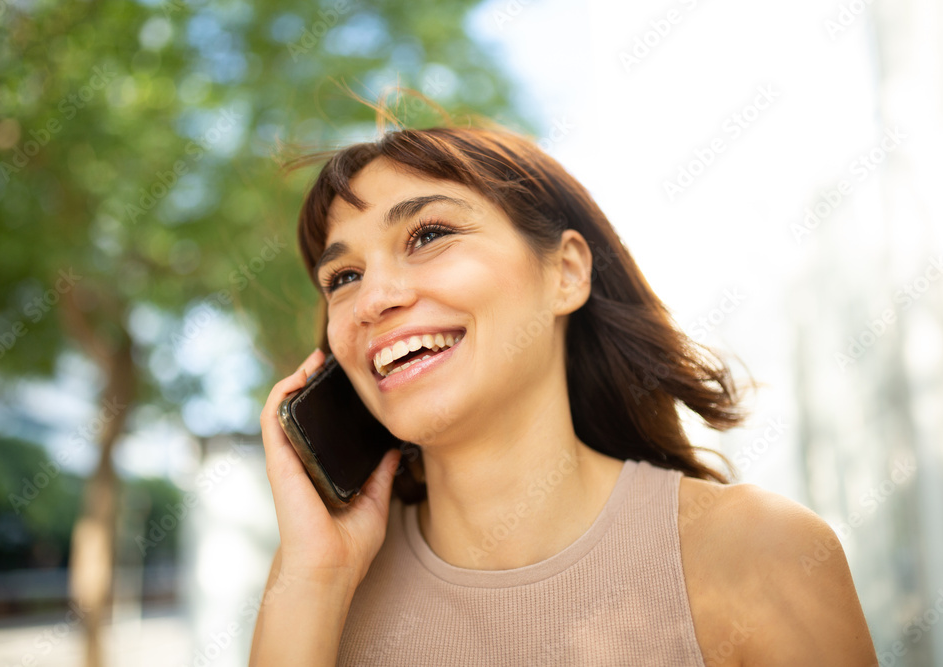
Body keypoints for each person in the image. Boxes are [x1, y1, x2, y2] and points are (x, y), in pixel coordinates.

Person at [249, 117, 878, 665]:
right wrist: (312, 582)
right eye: (344, 276)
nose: (375, 300)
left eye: (429, 235)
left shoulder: (762, 551)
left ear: (567, 272)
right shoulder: (322, 588)